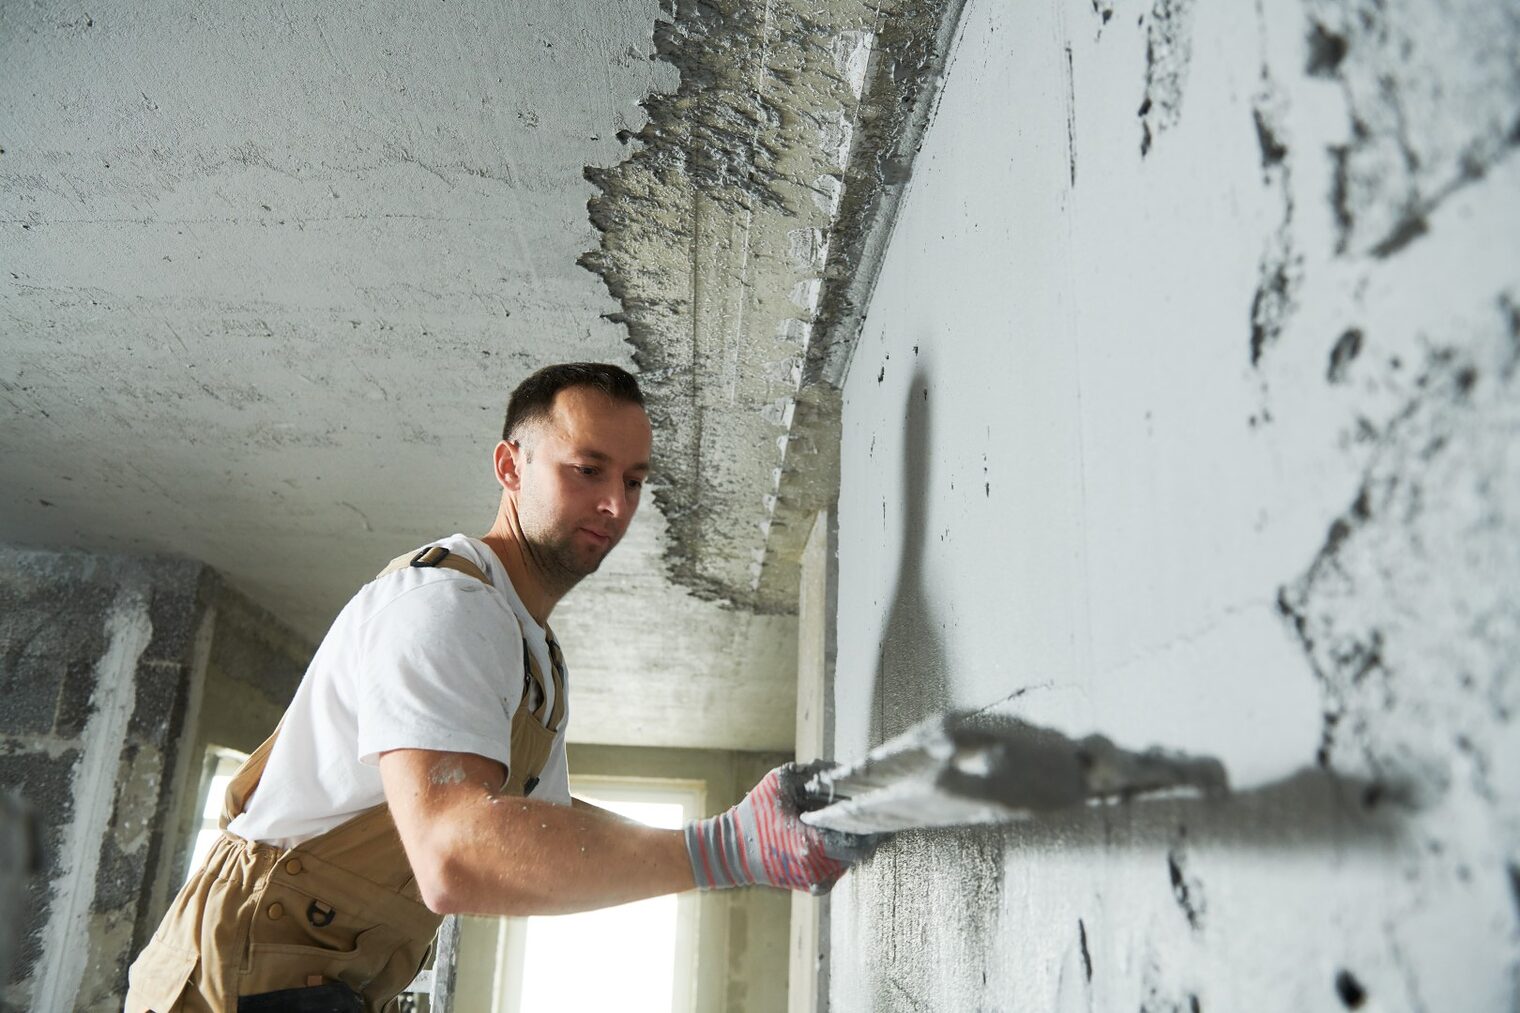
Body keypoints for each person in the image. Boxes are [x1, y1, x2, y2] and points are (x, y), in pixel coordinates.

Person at [124, 363, 873, 1013]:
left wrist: (743, 829)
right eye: (589, 469)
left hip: (316, 977)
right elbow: (456, 853)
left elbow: (531, 828)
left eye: (634, 480)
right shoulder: (442, 605)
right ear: (511, 466)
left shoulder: (535, 655)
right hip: (230, 976)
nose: (617, 504)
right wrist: (725, 852)